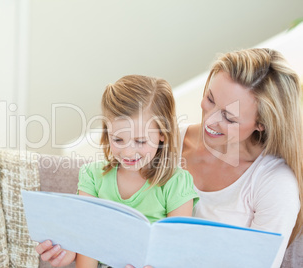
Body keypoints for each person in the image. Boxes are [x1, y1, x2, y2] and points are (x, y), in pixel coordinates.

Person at [36, 48, 303, 268]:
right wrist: (68, 249)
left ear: (262, 124)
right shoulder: (158, 144)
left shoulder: (274, 184)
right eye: (209, 99)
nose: (210, 119)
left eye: (229, 116)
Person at [38, 75, 200, 268]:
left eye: (140, 141)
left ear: (163, 134)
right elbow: (87, 247)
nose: (128, 152)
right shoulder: (92, 176)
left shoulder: (176, 182)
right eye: (118, 140)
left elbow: (176, 255)